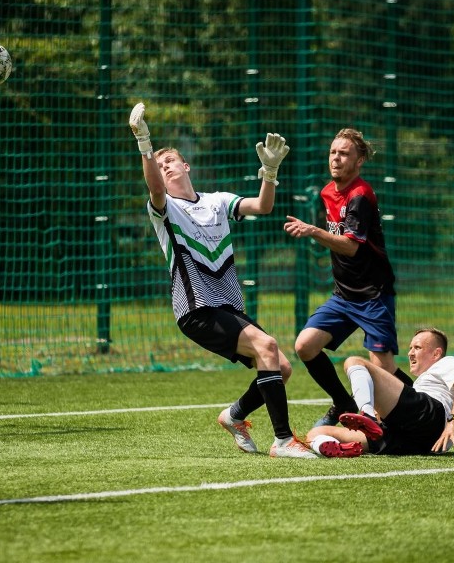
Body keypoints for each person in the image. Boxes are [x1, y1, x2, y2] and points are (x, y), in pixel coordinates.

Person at [128, 102, 316, 459]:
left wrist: (270, 173)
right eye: (160, 164)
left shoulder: (217, 201)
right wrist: (145, 144)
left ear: (187, 166)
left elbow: (263, 207)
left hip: (227, 304)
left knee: (281, 365)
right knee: (269, 346)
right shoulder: (165, 207)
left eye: (172, 160)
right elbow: (153, 188)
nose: (166, 166)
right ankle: (283, 441)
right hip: (197, 307)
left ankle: (234, 416)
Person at [283, 128, 406, 428]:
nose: (336, 158)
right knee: (305, 346)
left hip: (373, 295)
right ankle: (342, 402)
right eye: (333, 152)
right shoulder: (328, 192)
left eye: (344, 153)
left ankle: (427, 410)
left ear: (360, 160)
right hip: (344, 296)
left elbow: (350, 247)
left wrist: (313, 231)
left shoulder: (360, 196)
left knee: (383, 371)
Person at [306, 328, 454, 458]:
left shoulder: (447, 362)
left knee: (354, 361)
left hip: (431, 418)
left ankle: (367, 415)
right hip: (422, 443)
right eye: (410, 348)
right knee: (315, 433)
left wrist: (452, 422)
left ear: (436, 353)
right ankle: (343, 447)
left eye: (417, 347)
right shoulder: (419, 384)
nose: (410, 353)